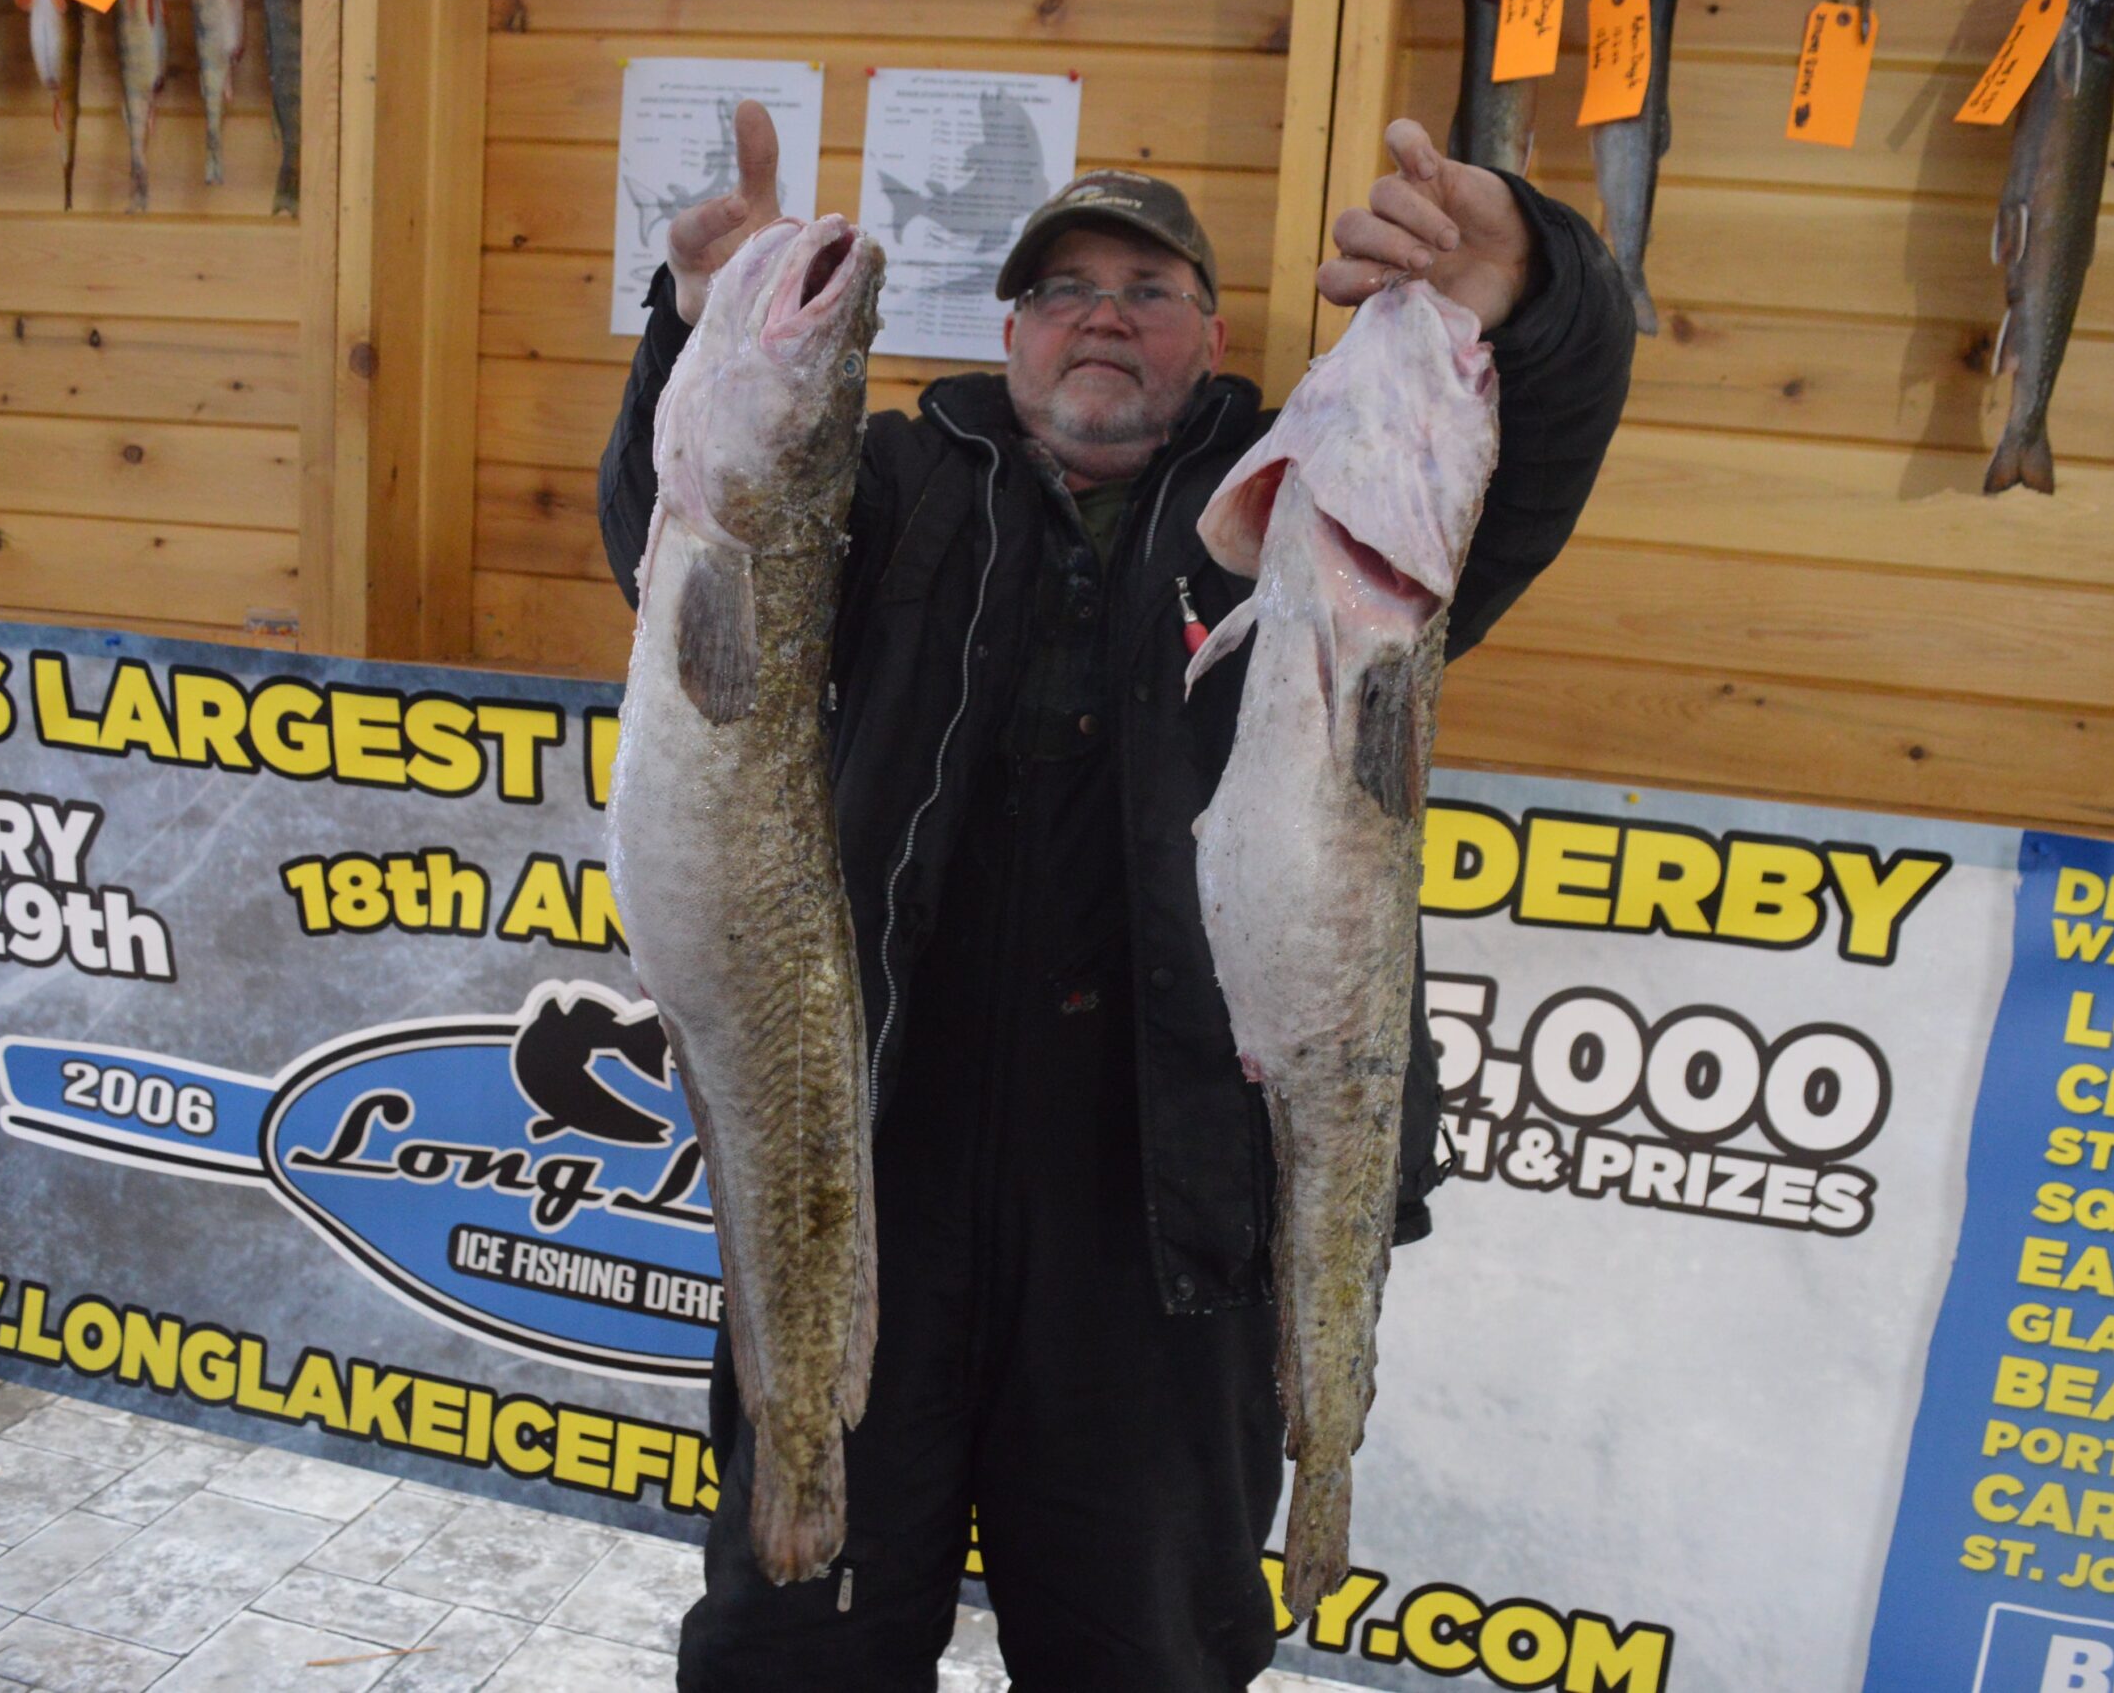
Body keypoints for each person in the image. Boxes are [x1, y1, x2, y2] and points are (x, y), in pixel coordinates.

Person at [599, 99, 1635, 1693]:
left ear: (1210, 335)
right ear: (1009, 332)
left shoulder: (1326, 498)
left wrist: (1544, 293)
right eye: (1062, 287)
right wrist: (687, 331)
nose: (1101, 314)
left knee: (1145, 1654)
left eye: (1145, 289)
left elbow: (1532, 454)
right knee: (791, 1644)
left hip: (1170, 1212)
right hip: (873, 1167)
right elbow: (673, 541)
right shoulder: (889, 482)